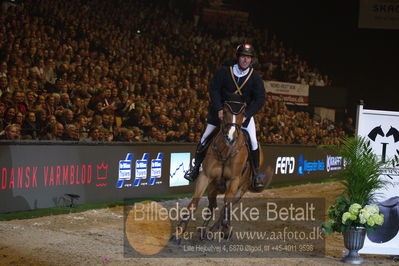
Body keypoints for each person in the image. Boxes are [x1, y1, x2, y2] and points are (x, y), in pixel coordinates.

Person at [184, 43, 266, 190]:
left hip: (243, 115)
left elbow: (260, 99)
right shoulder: (224, 71)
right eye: (243, 57)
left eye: (248, 58)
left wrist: (247, 114)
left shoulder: (255, 78)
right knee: (205, 137)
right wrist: (218, 109)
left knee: (253, 141)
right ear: (238, 58)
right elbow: (214, 89)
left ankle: (255, 174)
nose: (245, 60)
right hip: (222, 113)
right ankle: (195, 168)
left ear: (251, 60)